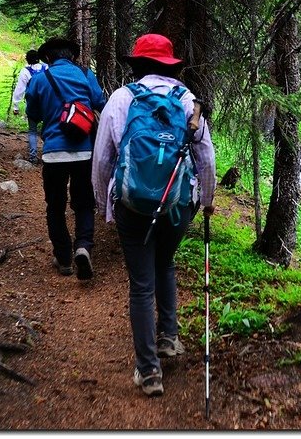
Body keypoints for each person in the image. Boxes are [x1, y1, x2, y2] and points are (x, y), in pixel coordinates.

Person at [92, 33, 216, 397]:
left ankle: (149, 372)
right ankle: (169, 338)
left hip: (133, 204)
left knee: (141, 284)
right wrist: (206, 199)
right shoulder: (188, 102)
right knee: (166, 264)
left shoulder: (122, 98)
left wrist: (105, 205)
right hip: (178, 203)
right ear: (169, 66)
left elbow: (102, 159)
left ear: (139, 65)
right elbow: (205, 156)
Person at [26, 37, 107, 280]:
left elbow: (34, 113)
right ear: (71, 55)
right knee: (83, 203)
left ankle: (63, 257)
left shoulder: (40, 78)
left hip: (54, 153)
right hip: (84, 151)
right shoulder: (85, 74)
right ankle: (83, 246)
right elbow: (100, 102)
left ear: (48, 57)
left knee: (56, 206)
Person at [12, 49, 48, 164]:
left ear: (27, 59)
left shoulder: (25, 71)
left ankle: (33, 156)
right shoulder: (46, 68)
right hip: (46, 104)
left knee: (32, 131)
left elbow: (20, 89)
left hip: (32, 104)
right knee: (47, 129)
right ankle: (48, 154)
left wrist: (16, 106)